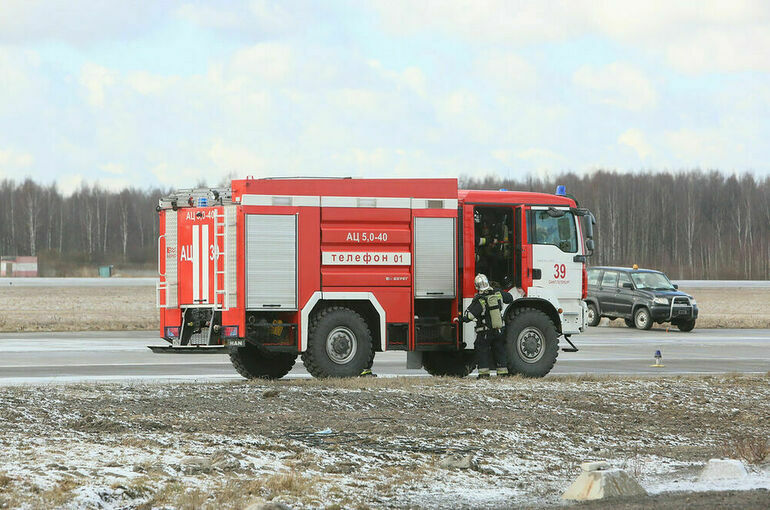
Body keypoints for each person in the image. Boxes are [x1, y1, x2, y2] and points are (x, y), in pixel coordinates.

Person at [460, 274, 513, 379]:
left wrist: (460, 319)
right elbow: (509, 298)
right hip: (498, 330)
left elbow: (470, 316)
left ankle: (484, 375)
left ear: (476, 286)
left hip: (484, 332)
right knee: (500, 351)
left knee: (482, 351)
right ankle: (503, 374)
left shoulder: (480, 300)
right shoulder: (497, 293)